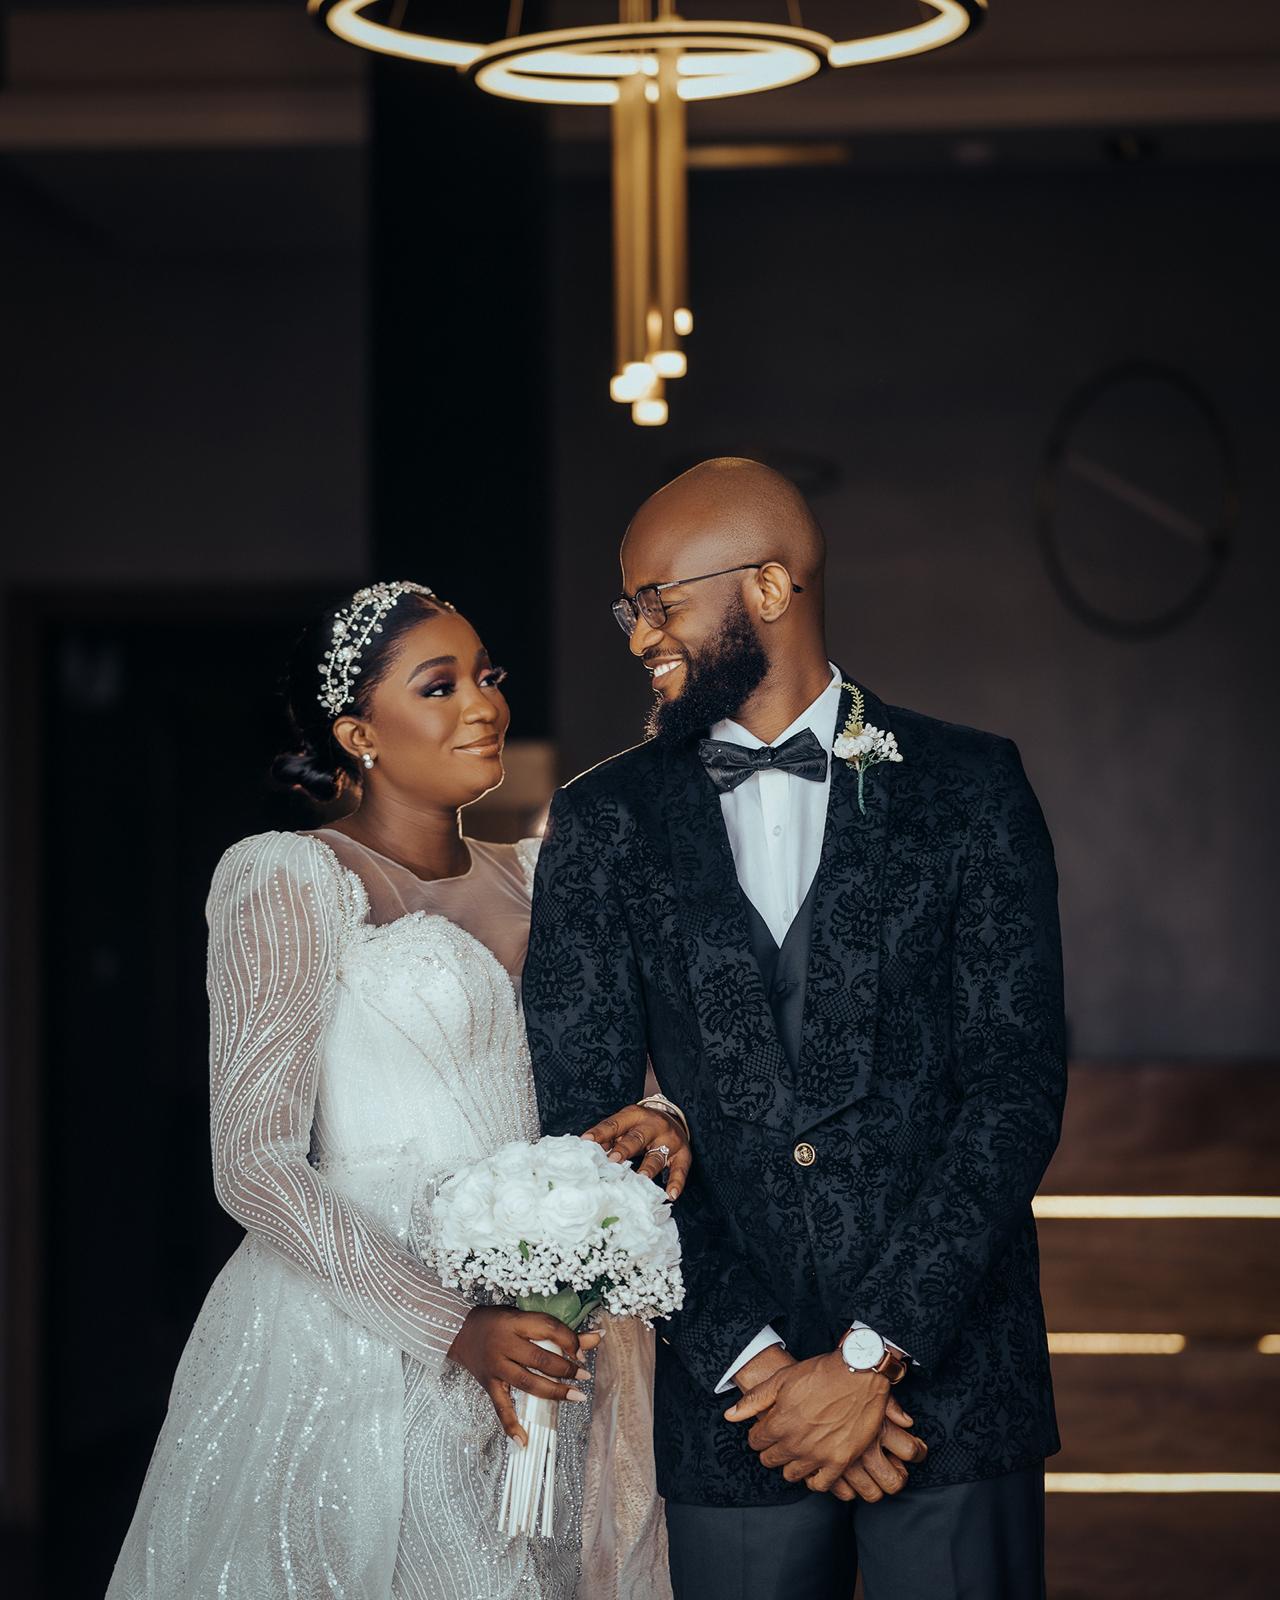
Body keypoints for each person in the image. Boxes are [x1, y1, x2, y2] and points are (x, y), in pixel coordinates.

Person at [524, 459, 1066, 1600]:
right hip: (734, 1403)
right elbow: (588, 1118)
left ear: (769, 587)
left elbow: (1013, 1086)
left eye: (657, 600)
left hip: (952, 1388)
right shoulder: (602, 820)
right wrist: (763, 1369)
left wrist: (871, 1355)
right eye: (628, 610)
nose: (639, 635)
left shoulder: (970, 787)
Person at [106, 581, 688, 1600]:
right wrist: (450, 1328)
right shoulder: (287, 877)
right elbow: (252, 1163)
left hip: (554, 1315)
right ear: (358, 733)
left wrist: (661, 1116)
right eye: (439, 685)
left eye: (488, 676)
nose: (484, 704)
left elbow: (630, 1073)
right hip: (361, 1330)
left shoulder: (545, 876)